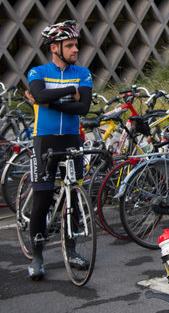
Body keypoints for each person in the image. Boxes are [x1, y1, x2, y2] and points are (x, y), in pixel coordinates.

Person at [25, 20, 93, 280]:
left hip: (72, 140)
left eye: (76, 44)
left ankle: (72, 249)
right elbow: (38, 95)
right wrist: (69, 91)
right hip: (45, 140)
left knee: (74, 198)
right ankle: (38, 256)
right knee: (42, 199)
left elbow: (83, 108)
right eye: (70, 45)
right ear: (55, 48)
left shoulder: (83, 72)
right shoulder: (37, 72)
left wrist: (50, 101)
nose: (75, 49)